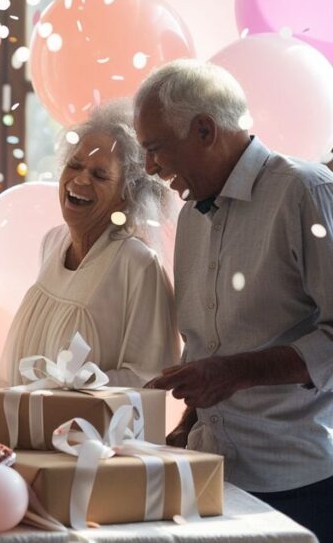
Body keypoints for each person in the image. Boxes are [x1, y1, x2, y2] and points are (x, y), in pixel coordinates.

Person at [136, 59, 333, 541]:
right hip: (212, 473)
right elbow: (208, 347)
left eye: (155, 149)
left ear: (205, 130)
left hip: (300, 484)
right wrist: (190, 421)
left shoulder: (306, 191)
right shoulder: (189, 218)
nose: (149, 169)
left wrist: (235, 373)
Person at [0, 101, 178, 388]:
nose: (79, 179)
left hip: (90, 432)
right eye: (74, 165)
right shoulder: (53, 242)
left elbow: (150, 377)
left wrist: (67, 388)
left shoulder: (138, 264)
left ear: (126, 195)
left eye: (100, 175)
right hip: (27, 427)